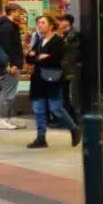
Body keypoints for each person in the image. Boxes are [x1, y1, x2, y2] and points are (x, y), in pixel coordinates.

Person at [26, 15, 81, 149]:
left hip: (52, 78)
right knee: (38, 109)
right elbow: (29, 58)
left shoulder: (58, 41)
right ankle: (41, 137)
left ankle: (74, 128)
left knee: (56, 108)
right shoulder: (39, 40)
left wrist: (38, 57)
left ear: (51, 26)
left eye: (43, 23)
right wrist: (38, 57)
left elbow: (55, 59)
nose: (39, 25)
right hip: (38, 79)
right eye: (39, 23)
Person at [0, 3, 25, 130]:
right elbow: (8, 48)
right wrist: (12, 64)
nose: (20, 15)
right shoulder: (7, 27)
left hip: (7, 64)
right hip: (10, 65)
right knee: (8, 93)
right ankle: (2, 119)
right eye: (19, 12)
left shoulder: (6, 26)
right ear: (12, 12)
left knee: (8, 92)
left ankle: (6, 119)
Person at [59, 14, 82, 118]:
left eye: (62, 21)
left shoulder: (73, 34)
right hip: (66, 69)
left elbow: (66, 48)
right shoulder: (66, 34)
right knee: (64, 94)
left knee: (68, 94)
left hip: (70, 69)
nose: (60, 23)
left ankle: (70, 117)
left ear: (67, 22)